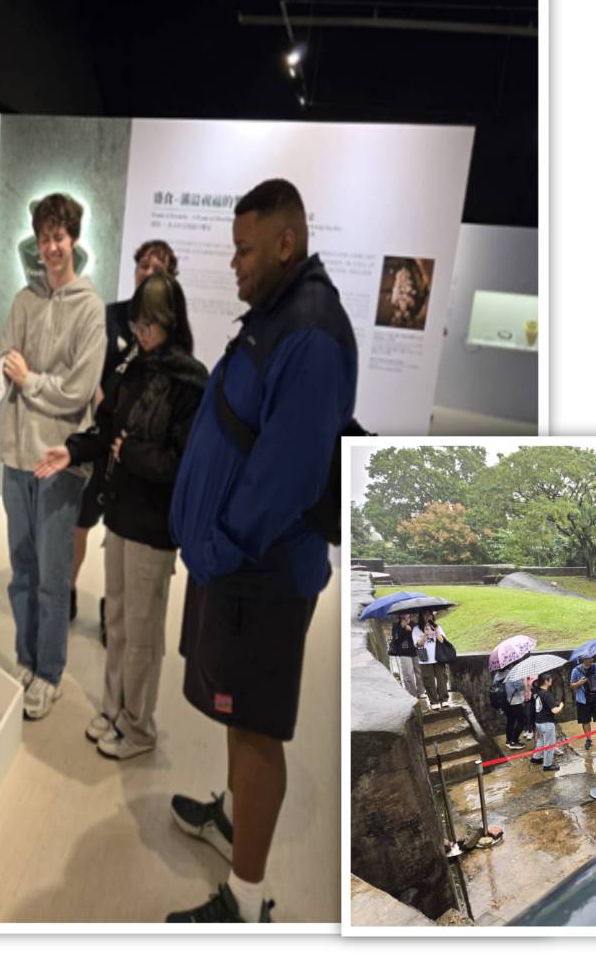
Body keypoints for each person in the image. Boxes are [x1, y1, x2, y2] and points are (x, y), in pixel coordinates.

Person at [166, 178, 357, 924]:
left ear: (286, 242)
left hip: (261, 576)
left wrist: (218, 546)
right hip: (240, 569)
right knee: (235, 713)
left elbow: (286, 474)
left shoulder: (307, 331)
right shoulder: (279, 315)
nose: (234, 265)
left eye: (245, 250)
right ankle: (232, 821)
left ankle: (244, 901)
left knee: (255, 727)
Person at [34, 273, 207, 760]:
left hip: (154, 526)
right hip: (122, 516)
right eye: (138, 322)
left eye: (151, 323)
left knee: (144, 631)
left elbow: (181, 462)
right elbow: (106, 429)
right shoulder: (132, 369)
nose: (142, 332)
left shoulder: (191, 381)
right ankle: (114, 710)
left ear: (170, 322)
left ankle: (139, 726)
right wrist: (75, 449)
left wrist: (128, 453)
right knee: (120, 620)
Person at [0, 193, 106, 721]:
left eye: (59, 237)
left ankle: (50, 673)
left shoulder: (89, 309)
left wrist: (31, 380)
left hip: (59, 460)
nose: (51, 247)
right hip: (17, 458)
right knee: (21, 570)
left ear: (73, 239)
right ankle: (26, 660)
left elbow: (78, 390)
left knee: (51, 576)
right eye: (44, 238)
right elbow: (2, 369)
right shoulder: (24, 302)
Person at [73, 239, 179, 642]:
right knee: (79, 524)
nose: (148, 271)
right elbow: (92, 374)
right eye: (143, 264)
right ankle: (66, 591)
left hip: (138, 453)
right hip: (103, 440)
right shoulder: (111, 317)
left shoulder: (171, 335)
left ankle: (109, 610)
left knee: (118, 536)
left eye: (158, 267)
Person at [569, 654, 596, 749]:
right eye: (589, 658)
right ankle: (588, 739)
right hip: (583, 700)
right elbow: (571, 686)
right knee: (585, 721)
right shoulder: (576, 670)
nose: (591, 659)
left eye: (592, 657)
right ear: (583, 659)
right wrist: (579, 683)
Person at [528, 673, 563, 771]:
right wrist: (560, 706)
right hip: (547, 723)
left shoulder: (536, 693)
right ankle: (547, 765)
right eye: (550, 679)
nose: (551, 680)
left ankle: (536, 758)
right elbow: (554, 710)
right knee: (549, 744)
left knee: (541, 740)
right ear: (546, 681)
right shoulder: (546, 694)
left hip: (538, 722)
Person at [388, 614, 422, 700]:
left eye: (406, 613)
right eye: (403, 614)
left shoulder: (415, 625)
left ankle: (422, 692)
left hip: (416, 651)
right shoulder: (396, 626)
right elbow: (395, 641)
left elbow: (418, 639)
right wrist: (402, 629)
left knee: (419, 672)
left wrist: (410, 630)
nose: (404, 615)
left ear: (409, 614)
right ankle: (412, 695)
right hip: (403, 652)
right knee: (408, 674)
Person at [503, 668, 529, 749]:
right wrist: (524, 678)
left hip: (506, 702)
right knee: (522, 721)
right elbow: (521, 688)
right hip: (515, 702)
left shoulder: (498, 675)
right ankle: (514, 742)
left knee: (511, 721)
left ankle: (509, 740)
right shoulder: (513, 674)